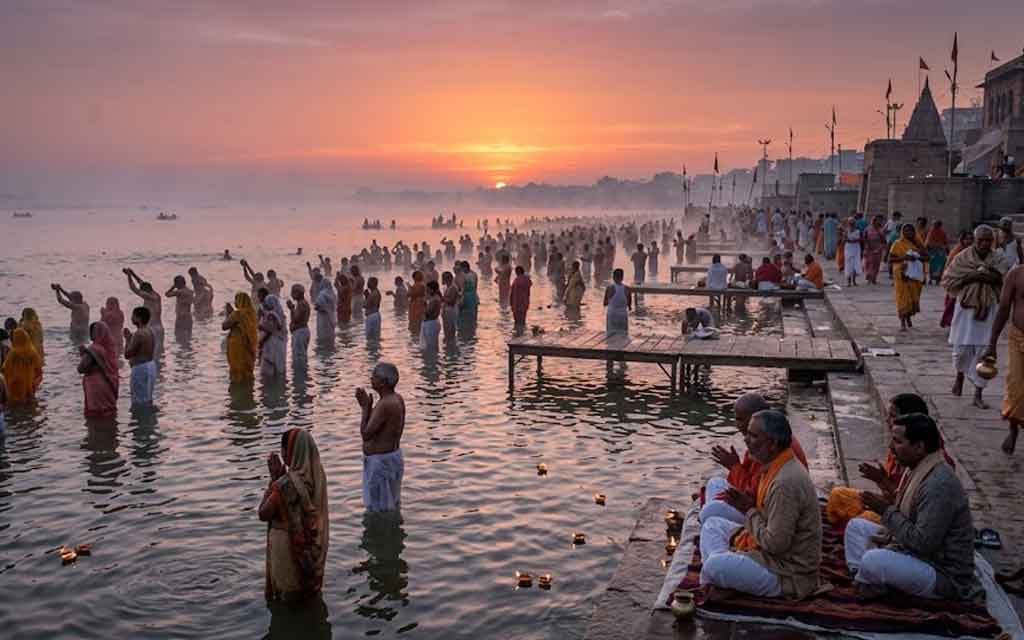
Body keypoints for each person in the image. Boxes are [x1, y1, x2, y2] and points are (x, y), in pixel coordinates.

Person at [846, 414, 980, 601]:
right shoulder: (917, 467)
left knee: (873, 560)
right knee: (856, 527)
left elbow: (923, 544)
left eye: (897, 441)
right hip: (915, 553)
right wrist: (883, 488)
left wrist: (885, 511)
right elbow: (908, 513)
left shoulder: (939, 484)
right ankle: (862, 578)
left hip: (943, 573)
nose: (891, 447)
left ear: (919, 447)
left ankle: (868, 579)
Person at [699, 410, 821, 598]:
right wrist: (747, 504)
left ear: (772, 444)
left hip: (787, 571)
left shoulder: (784, 483)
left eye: (753, 436)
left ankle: (725, 574)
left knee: (713, 567)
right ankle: (728, 576)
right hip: (767, 551)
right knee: (711, 525)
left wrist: (747, 510)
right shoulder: (774, 464)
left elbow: (776, 545)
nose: (746, 440)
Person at [704, 394, 808, 524]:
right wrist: (735, 468)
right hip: (757, 501)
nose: (737, 425)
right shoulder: (763, 437)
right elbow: (750, 479)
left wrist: (733, 467)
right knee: (715, 483)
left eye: (740, 420)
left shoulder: (770, 445)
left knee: (709, 513)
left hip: (765, 511)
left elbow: (753, 496)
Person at [258, 428, 329, 602]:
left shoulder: (285, 485)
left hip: (289, 556)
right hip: (311, 556)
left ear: (290, 451)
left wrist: (274, 480)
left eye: (283, 449)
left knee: (288, 602)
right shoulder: (318, 476)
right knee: (308, 602)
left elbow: (263, 513)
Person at [941, 225, 1008, 408]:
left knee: (984, 352)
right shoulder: (962, 257)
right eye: (981, 240)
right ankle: (960, 375)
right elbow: (948, 280)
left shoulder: (999, 258)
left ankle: (978, 394)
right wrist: (972, 277)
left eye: (988, 240)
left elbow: (1005, 279)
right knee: (961, 351)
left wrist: (990, 277)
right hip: (966, 309)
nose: (985, 244)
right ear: (975, 240)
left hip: (989, 308)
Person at [356, 363, 406, 512]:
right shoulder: (397, 398)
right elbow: (379, 427)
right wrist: (370, 408)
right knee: (391, 506)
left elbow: (366, 435)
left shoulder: (385, 404)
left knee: (378, 510)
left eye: (374, 376)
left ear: (383, 382)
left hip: (380, 463)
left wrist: (365, 408)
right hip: (391, 458)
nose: (371, 378)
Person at [889, 223, 927, 331]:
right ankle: (902, 322)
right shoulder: (897, 243)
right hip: (901, 274)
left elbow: (927, 257)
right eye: (906, 230)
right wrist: (904, 258)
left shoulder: (918, 243)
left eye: (910, 230)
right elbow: (890, 259)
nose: (908, 232)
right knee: (902, 298)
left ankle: (908, 317)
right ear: (902, 232)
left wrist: (917, 257)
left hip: (915, 275)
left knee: (913, 297)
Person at [78, 321, 119, 418]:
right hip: (107, 385)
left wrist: (83, 354)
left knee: (95, 419)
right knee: (108, 416)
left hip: (96, 386)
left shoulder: (94, 348)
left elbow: (81, 368)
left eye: (92, 331)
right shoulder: (109, 348)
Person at [124, 268, 164, 361]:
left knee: (154, 354)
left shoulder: (149, 296)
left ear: (146, 291)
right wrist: (133, 274)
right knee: (157, 353)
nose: (141, 294)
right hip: (158, 327)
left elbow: (134, 289)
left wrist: (129, 276)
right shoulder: (155, 294)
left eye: (142, 291)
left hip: (153, 328)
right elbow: (141, 283)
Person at [124, 306, 156, 408]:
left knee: (138, 401)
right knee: (147, 398)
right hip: (150, 366)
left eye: (133, 316)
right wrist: (131, 338)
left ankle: (140, 417)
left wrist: (127, 339)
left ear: (139, 318)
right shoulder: (150, 331)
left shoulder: (138, 334)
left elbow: (127, 354)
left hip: (141, 369)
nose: (131, 318)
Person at [223, 292, 258, 383]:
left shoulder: (238, 314)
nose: (235, 302)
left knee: (237, 372)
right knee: (247, 369)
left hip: (237, 346)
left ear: (240, 301)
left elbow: (225, 326)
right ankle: (248, 387)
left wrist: (229, 314)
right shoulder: (252, 313)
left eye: (236, 300)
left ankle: (237, 388)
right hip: (249, 346)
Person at [2, 328, 43, 405]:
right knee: (30, 407)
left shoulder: (12, 354)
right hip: (29, 387)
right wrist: (34, 385)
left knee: (15, 408)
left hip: (14, 388)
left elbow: (5, 370)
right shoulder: (33, 353)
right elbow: (39, 373)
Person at [259, 295, 287, 379]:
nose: (265, 305)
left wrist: (261, 341)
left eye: (267, 303)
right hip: (280, 345)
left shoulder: (271, 315)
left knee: (267, 372)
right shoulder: (281, 314)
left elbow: (269, 330)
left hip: (271, 344)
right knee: (278, 370)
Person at [287, 284, 310, 368]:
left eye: (293, 292)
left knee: (299, 357)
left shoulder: (302, 304)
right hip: (301, 331)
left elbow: (295, 319)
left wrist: (291, 309)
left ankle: (300, 373)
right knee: (300, 355)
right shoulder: (302, 303)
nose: (291, 294)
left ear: (297, 293)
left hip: (300, 332)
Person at [603, 268, 631, 336]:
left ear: (613, 277)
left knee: (610, 335)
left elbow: (605, 303)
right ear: (622, 277)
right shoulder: (627, 288)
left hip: (612, 314)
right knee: (624, 335)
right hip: (623, 314)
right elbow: (629, 305)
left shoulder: (609, 288)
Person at [313, 271, 337, 343]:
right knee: (330, 335)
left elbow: (318, 305)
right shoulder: (332, 294)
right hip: (331, 318)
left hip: (323, 319)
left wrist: (318, 308)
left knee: (323, 337)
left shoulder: (322, 294)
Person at [863, 215, 886, 284]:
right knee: (868, 263)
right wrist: (866, 246)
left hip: (877, 250)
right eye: (873, 220)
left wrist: (880, 248)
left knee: (876, 264)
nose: (874, 222)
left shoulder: (880, 230)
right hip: (868, 249)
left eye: (875, 221)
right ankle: (868, 276)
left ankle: (874, 278)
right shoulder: (867, 229)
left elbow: (884, 241)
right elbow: (864, 238)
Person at [925, 220, 950, 285]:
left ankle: (934, 279)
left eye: (935, 225)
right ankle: (934, 279)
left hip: (937, 252)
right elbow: (946, 242)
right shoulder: (933, 232)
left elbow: (927, 243)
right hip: (937, 252)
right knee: (934, 266)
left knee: (936, 266)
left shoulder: (935, 232)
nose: (934, 226)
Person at [510, 266, 532, 333]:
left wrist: (510, 302)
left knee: (517, 321)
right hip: (525, 302)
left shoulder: (516, 280)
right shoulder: (527, 279)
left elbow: (512, 292)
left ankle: (518, 334)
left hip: (517, 303)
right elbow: (530, 284)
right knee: (522, 320)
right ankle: (522, 333)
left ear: (518, 272)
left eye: (516, 272)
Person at [421, 282, 442, 351]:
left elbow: (427, 313)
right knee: (428, 345)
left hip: (431, 324)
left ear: (432, 290)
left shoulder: (435, 299)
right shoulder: (432, 298)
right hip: (430, 323)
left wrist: (424, 304)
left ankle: (433, 357)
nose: (426, 291)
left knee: (430, 346)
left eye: (427, 289)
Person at [843, 217, 864, 286]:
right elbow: (844, 239)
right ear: (848, 223)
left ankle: (854, 281)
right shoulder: (846, 231)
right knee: (848, 264)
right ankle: (849, 282)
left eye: (852, 223)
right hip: (848, 248)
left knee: (856, 264)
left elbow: (861, 239)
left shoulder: (858, 231)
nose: (851, 224)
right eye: (850, 223)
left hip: (856, 248)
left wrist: (854, 241)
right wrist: (850, 240)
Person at [441, 272, 461, 341]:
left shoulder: (453, 287)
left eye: (444, 278)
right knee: (447, 330)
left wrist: (442, 298)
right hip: (447, 311)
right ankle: (448, 343)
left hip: (451, 311)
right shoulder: (447, 287)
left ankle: (451, 343)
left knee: (450, 330)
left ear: (449, 279)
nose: (442, 280)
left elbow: (451, 302)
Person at [458, 262, 479, 326]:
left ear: (465, 268)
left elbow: (464, 288)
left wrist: (460, 295)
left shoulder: (466, 275)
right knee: (473, 318)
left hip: (468, 297)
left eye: (461, 269)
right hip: (474, 296)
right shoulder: (474, 274)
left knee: (466, 318)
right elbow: (475, 287)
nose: (461, 270)